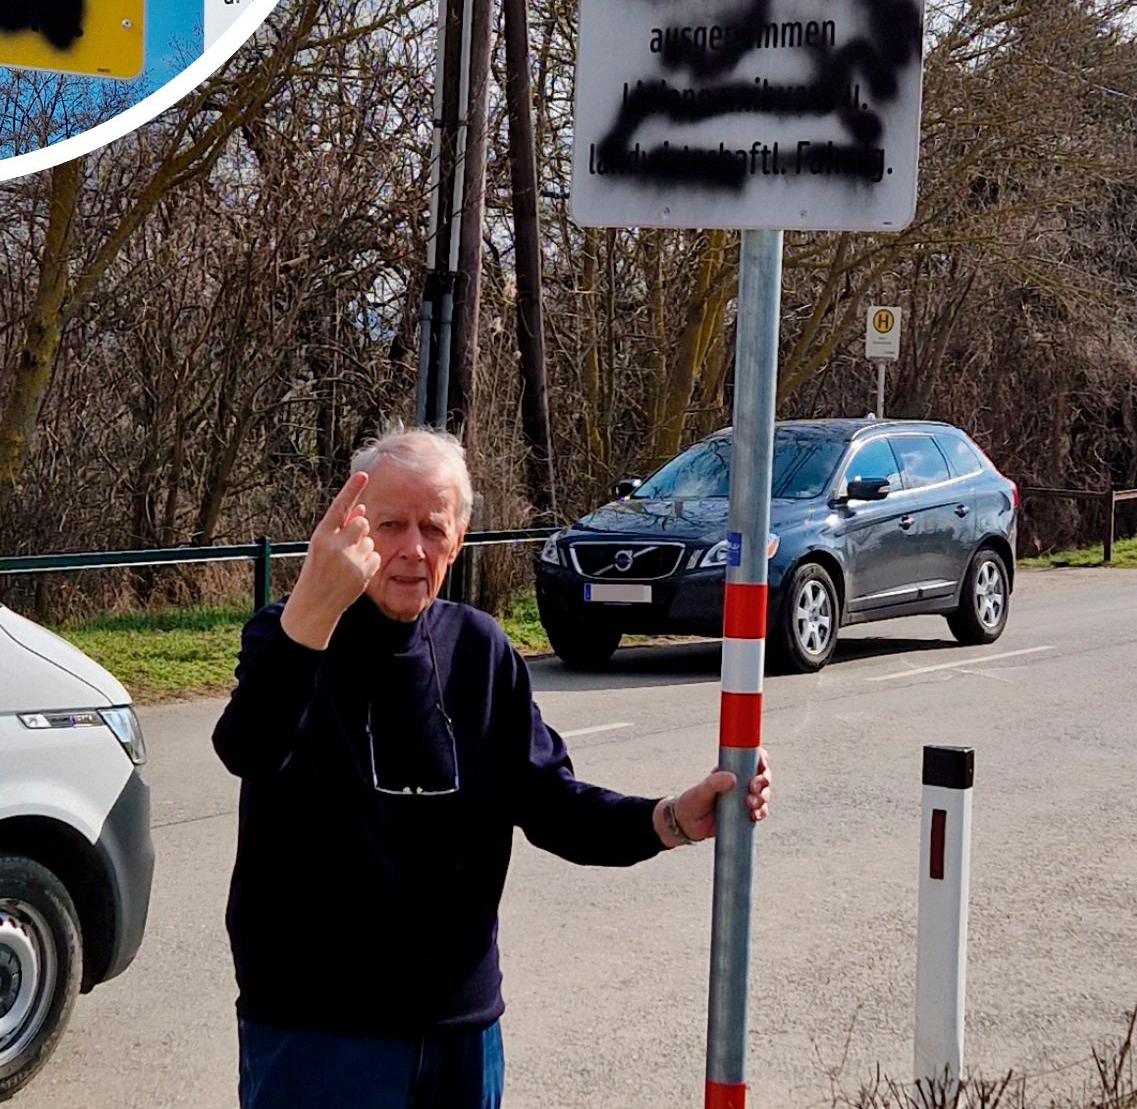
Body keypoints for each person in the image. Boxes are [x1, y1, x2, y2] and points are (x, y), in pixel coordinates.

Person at [213, 427, 771, 1109]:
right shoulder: (292, 635)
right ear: (352, 527)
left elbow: (551, 802)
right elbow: (248, 746)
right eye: (390, 524)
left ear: (460, 536)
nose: (412, 547)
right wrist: (313, 603)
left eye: (432, 526)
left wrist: (667, 819)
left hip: (460, 1033)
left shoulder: (480, 649)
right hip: (319, 1036)